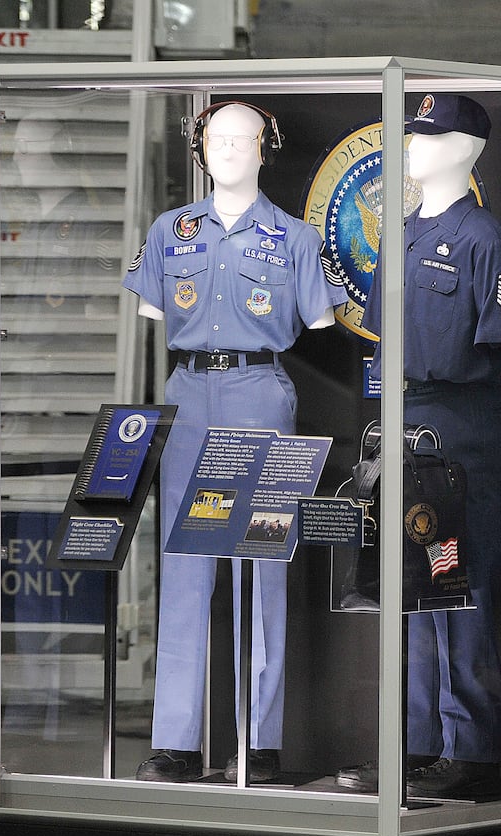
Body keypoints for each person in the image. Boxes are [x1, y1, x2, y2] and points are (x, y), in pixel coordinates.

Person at [125, 101, 344, 784]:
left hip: (260, 394)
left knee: (261, 564)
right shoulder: (169, 232)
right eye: (214, 138)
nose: (225, 149)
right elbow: (153, 309)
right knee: (185, 567)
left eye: (241, 139)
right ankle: (176, 742)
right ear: (199, 147)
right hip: (188, 394)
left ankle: (262, 742)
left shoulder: (295, 239)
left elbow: (319, 318)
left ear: (264, 148)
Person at [335, 94, 501, 800]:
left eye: (429, 133)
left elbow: (500, 346)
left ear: (467, 146)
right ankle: (416, 744)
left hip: (461, 420)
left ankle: (470, 750)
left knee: (460, 581)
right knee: (408, 584)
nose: (413, 145)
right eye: (411, 133)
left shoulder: (486, 241)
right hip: (402, 413)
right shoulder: (403, 235)